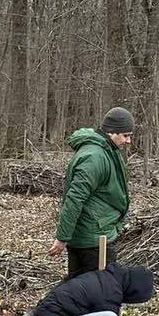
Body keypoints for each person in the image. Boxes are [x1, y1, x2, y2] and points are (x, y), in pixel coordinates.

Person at [48, 107, 134, 278]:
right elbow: (74, 199)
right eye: (125, 135)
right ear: (111, 133)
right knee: (97, 294)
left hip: (95, 235)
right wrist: (62, 237)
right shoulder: (94, 157)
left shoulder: (105, 150)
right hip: (93, 241)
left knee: (81, 294)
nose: (128, 141)